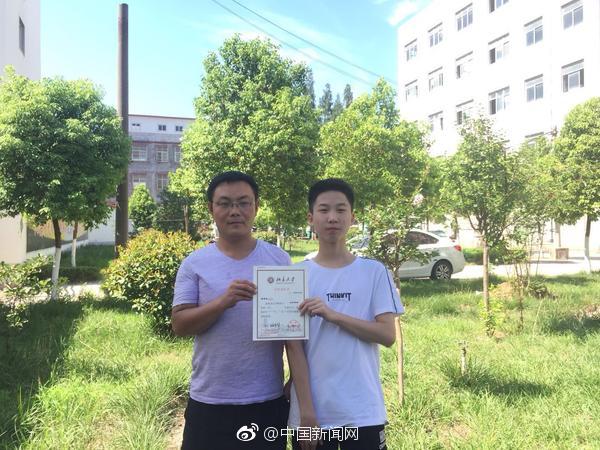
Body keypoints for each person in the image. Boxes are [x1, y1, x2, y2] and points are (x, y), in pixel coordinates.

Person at [172, 171, 309, 450]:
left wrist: (295, 381)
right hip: (209, 400)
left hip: (266, 399)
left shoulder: (279, 260)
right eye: (224, 203)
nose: (235, 211)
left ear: (256, 206)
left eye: (243, 203)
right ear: (211, 208)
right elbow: (180, 325)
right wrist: (223, 302)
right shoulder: (194, 263)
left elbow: (293, 332)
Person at [288, 178, 403, 450]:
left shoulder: (374, 272)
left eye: (341, 210)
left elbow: (387, 335)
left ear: (353, 217)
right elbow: (293, 347)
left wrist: (334, 315)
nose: (332, 217)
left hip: (363, 412)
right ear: (310, 218)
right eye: (324, 210)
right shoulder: (294, 275)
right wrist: (306, 414)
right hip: (313, 415)